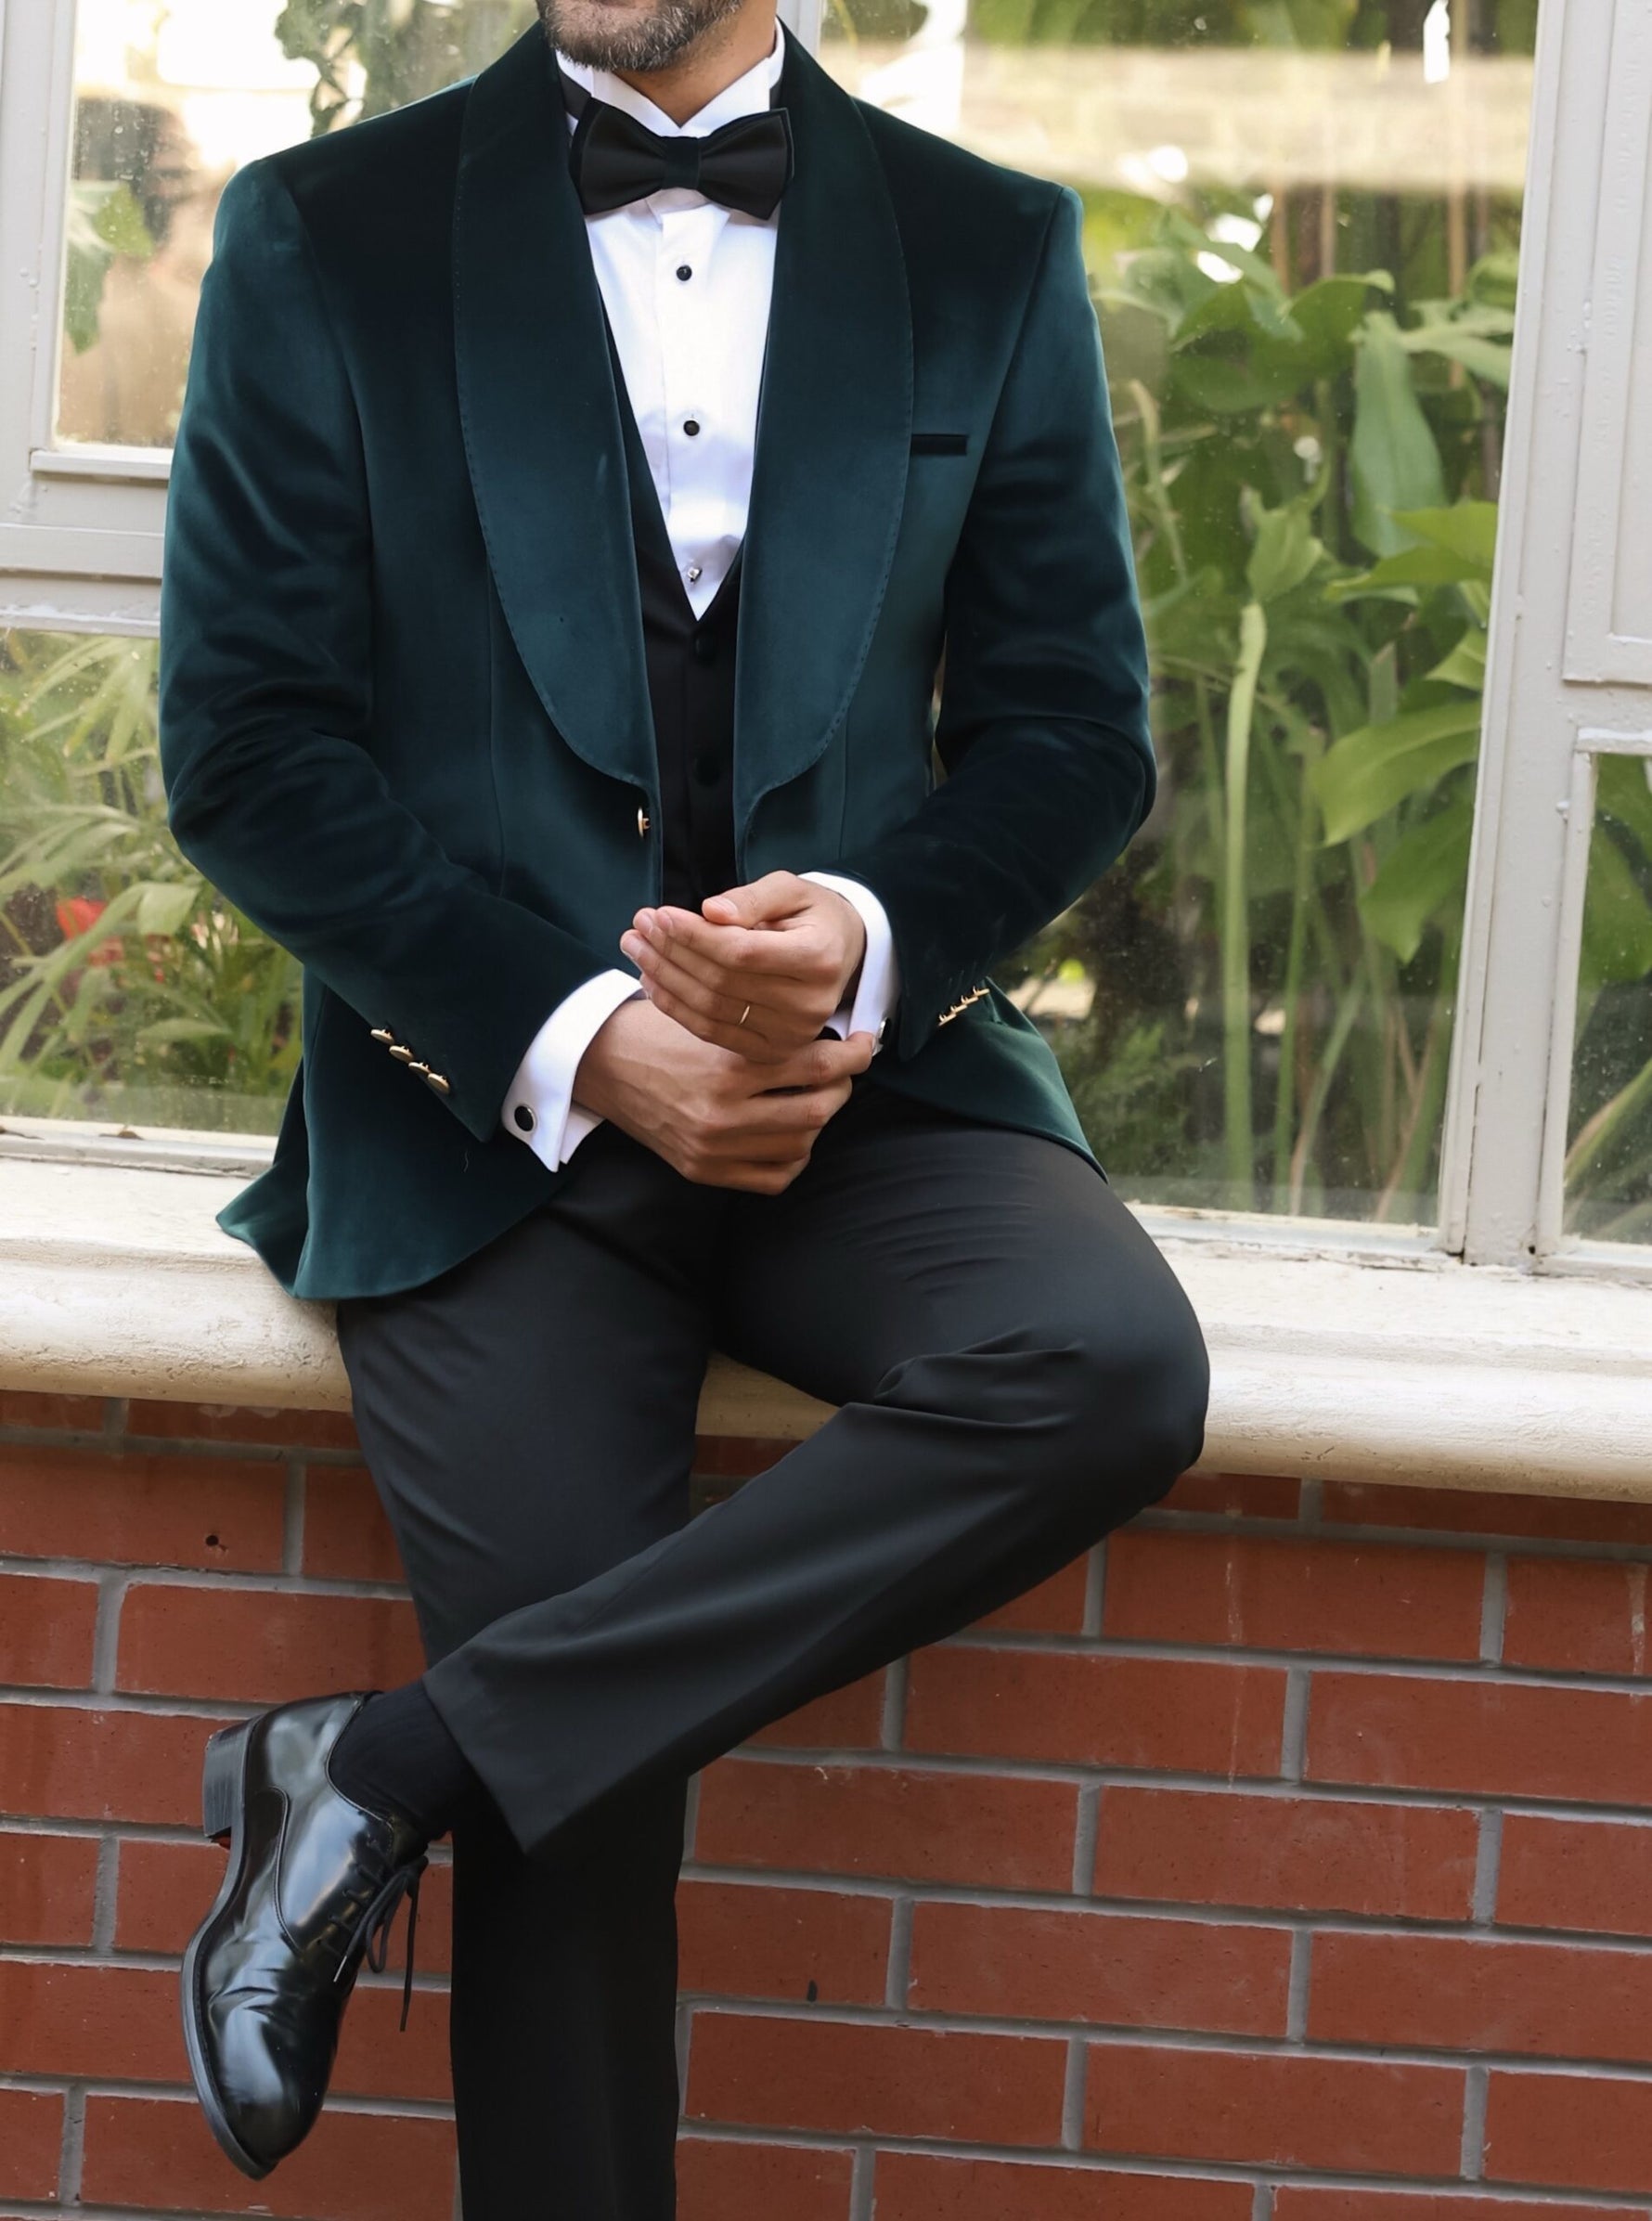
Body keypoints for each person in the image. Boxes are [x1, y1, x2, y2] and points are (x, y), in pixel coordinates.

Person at [156, 0, 1210, 2208]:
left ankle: (381, 1769)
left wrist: (860, 936)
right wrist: (578, 1036)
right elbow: (247, 748)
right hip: (487, 1123)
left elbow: (1068, 727)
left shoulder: (985, 248)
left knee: (1105, 1362)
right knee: (589, 1795)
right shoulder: (324, 234)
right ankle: (460, 1780)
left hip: (865, 1099)